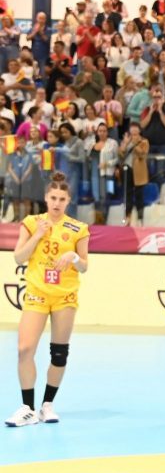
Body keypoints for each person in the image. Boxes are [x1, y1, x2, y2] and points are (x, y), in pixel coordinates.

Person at [4, 173, 90, 427]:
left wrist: (74, 257)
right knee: (24, 349)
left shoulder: (78, 228)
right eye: (53, 197)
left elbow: (84, 266)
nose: (56, 203)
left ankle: (47, 405)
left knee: (59, 353)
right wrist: (37, 235)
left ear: (68, 201)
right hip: (37, 294)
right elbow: (19, 257)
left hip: (65, 296)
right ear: (45, 198)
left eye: (62, 199)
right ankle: (27, 408)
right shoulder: (31, 222)